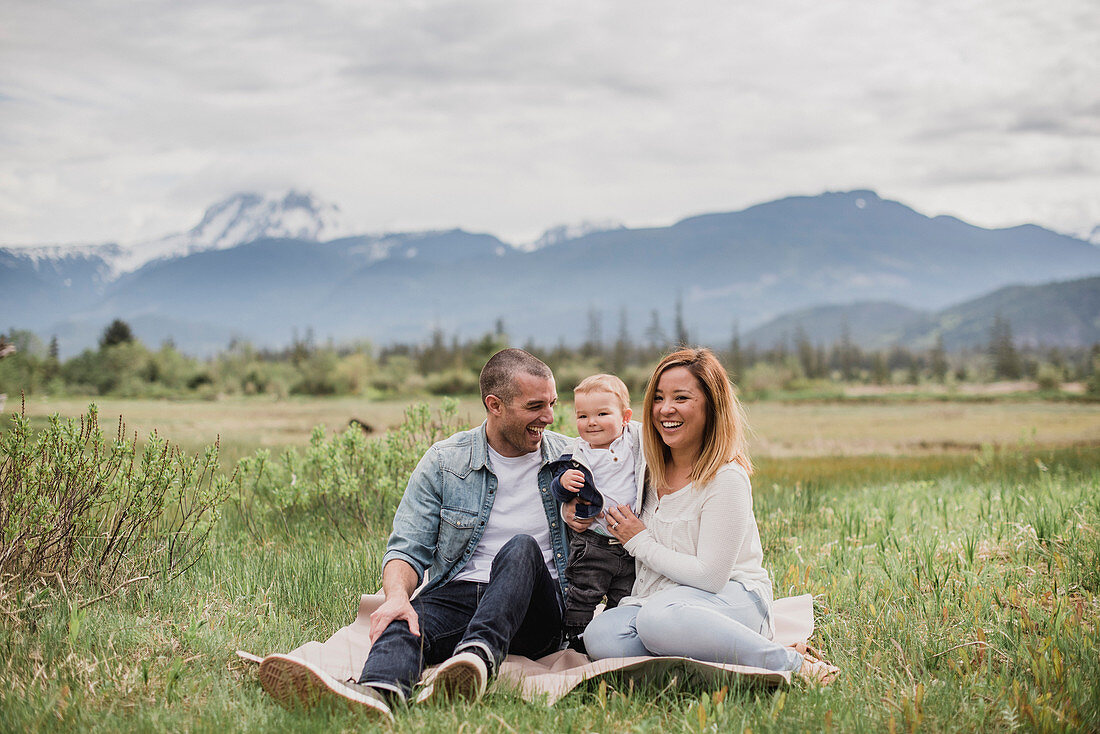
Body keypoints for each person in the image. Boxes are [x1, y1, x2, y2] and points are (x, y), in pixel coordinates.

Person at [259, 348, 572, 720]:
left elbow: (626, 448)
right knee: (401, 618)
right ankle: (377, 695)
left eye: (552, 403)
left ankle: (475, 659)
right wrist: (395, 598)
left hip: (534, 612)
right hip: (459, 595)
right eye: (536, 406)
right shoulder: (444, 461)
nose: (549, 417)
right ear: (495, 405)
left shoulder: (571, 457)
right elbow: (408, 548)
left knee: (520, 547)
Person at [574, 348, 839, 685]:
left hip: (731, 598)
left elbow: (711, 577)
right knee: (602, 636)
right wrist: (575, 503)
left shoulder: (725, 477)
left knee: (658, 620)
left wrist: (640, 541)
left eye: (680, 397)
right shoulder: (645, 463)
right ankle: (703, 666)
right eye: (658, 398)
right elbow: (589, 438)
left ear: (711, 406)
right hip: (658, 603)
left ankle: (791, 662)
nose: (665, 409)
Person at [547, 374, 646, 652]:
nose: (591, 422)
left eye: (602, 414)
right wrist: (564, 485)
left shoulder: (634, 441)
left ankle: (613, 632)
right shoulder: (578, 452)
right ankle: (575, 637)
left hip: (629, 543)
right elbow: (560, 485)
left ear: (625, 417)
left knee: (625, 593)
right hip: (593, 542)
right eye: (582, 416)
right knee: (583, 591)